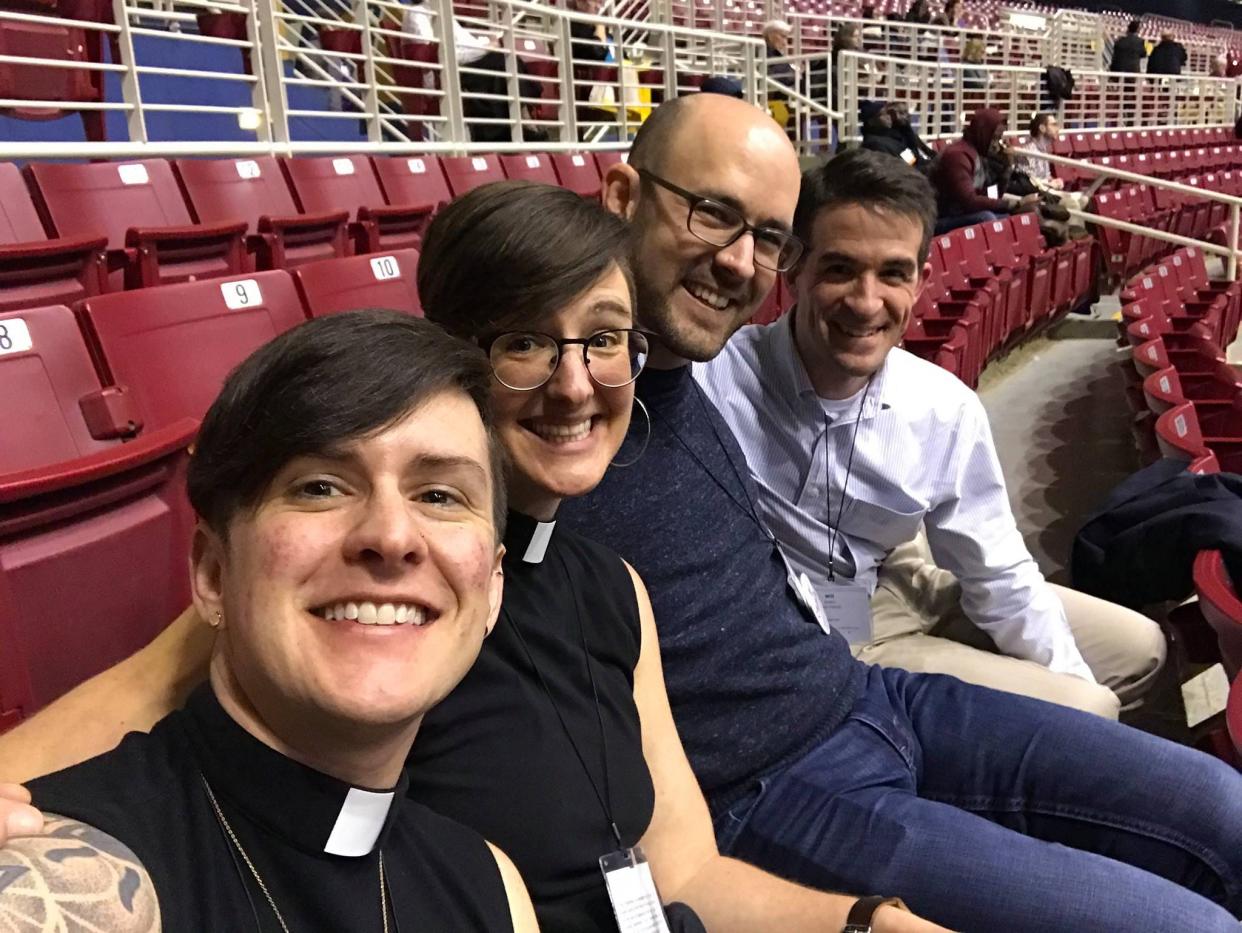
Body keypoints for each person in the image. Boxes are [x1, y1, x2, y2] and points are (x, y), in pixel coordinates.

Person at [0, 182, 947, 933]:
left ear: (491, 576)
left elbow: (682, 872)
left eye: (606, 340)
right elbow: (134, 725)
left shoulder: (600, 596)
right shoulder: (348, 621)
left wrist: (860, 920)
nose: (392, 537)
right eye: (527, 341)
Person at [558, 93, 1242, 932]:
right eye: (711, 215)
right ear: (622, 199)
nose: (737, 262)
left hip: (866, 691)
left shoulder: (684, 370)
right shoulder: (571, 412)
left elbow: (997, 573)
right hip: (773, 781)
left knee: (1225, 807)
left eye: (763, 237)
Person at [3, 311, 539, 931]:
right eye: (320, 487)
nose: (392, 536)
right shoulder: (79, 879)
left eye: (440, 496)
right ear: (211, 574)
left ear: (493, 588)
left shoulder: (487, 885)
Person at [695, 147, 1165, 718]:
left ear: (920, 280)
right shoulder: (713, 378)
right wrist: (1073, 716)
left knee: (1139, 650)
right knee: (1087, 706)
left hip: (903, 581)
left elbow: (995, 570)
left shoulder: (944, 408)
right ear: (794, 268)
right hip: (819, 630)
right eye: (840, 269)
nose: (867, 303)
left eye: (893, 273)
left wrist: (1061, 679)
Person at [402, 0, 541, 142]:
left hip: (460, 69)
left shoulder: (442, 11)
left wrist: (488, 45)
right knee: (501, 63)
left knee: (505, 61)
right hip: (443, 74)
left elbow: (468, 45)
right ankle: (523, 124)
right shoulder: (417, 14)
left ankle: (518, 124)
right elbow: (443, 55)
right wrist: (487, 47)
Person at [927, 107, 1036, 233]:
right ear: (983, 133)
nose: (996, 144)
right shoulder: (958, 155)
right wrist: (1013, 204)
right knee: (987, 218)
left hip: (963, 214)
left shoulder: (978, 154)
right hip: (943, 217)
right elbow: (969, 201)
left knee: (1013, 218)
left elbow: (991, 196)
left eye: (999, 139)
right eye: (994, 138)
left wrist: (1007, 168)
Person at [762, 18, 796, 97]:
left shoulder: (777, 54)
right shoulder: (761, 52)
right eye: (783, 37)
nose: (785, 43)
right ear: (771, 35)